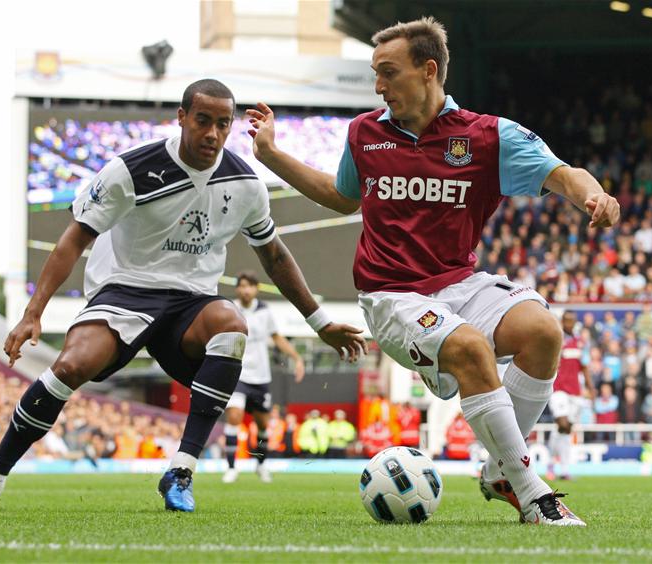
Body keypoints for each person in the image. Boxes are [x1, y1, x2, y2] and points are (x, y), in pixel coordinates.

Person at [247, 17, 620, 525]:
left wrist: (593, 194)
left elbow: (561, 174)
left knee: (543, 332)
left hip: (460, 285)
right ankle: (534, 494)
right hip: (390, 294)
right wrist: (270, 154)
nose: (379, 85)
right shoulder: (364, 134)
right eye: (375, 74)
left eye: (388, 72)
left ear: (428, 71)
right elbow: (340, 196)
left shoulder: (488, 137)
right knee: (468, 347)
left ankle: (499, 471)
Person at [0, 79, 365, 513]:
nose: (212, 134)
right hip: (125, 291)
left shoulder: (245, 183)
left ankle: (181, 472)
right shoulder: (130, 170)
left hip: (191, 301)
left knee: (231, 326)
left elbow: (275, 256)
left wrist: (320, 323)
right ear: (182, 118)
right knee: (70, 365)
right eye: (203, 121)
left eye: (223, 124)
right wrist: (34, 313)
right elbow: (72, 241)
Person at [222, 270, 305, 483]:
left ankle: (260, 465)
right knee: (234, 417)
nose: (245, 290)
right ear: (237, 289)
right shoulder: (230, 308)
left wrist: (296, 357)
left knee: (262, 426)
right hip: (236, 373)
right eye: (241, 285)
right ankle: (231, 467)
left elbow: (276, 337)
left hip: (260, 376)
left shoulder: (265, 311)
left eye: (249, 285)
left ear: (256, 288)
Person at [546, 311, 596, 481]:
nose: (569, 323)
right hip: (558, 389)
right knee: (563, 423)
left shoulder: (580, 343)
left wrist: (591, 388)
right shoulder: (556, 340)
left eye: (572, 321)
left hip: (575, 392)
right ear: (562, 321)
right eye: (566, 320)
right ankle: (556, 464)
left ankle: (560, 467)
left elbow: (585, 367)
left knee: (564, 430)